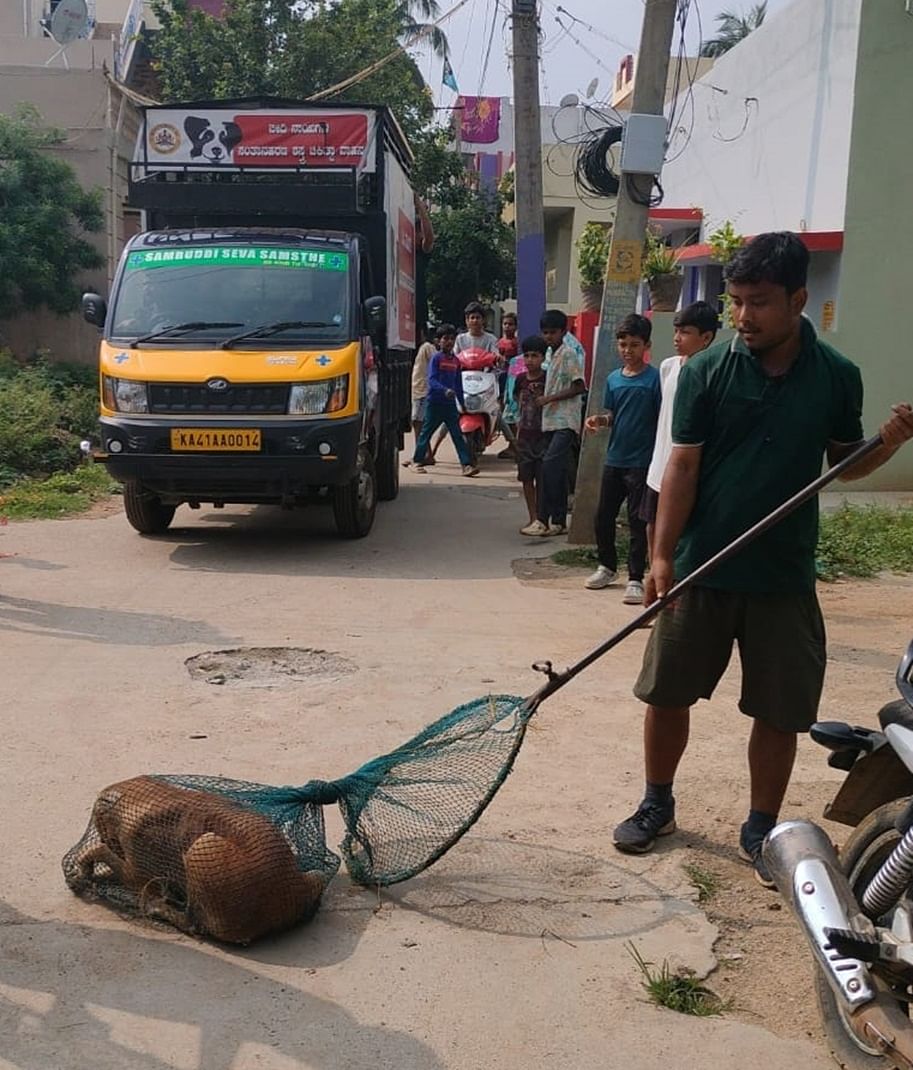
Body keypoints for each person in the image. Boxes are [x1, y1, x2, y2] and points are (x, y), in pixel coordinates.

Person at [612, 232, 913, 888]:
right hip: (702, 565)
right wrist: (661, 557)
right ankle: (656, 802)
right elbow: (682, 466)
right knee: (665, 694)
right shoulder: (704, 371)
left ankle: (760, 825)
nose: (743, 317)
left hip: (780, 573)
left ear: (798, 299)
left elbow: (846, 464)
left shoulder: (835, 374)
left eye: (758, 303)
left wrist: (885, 443)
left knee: (779, 710)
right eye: (736, 302)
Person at [584, 314, 661, 603]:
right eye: (623, 344)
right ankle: (606, 566)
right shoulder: (613, 379)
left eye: (634, 345)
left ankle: (635, 577)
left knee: (637, 522)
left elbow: (660, 419)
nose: (628, 350)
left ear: (646, 346)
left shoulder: (655, 380)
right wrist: (599, 421)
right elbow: (613, 415)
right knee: (603, 516)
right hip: (614, 459)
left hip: (642, 462)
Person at [641, 302, 719, 558]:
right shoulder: (669, 367)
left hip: (688, 470)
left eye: (685, 332)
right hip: (660, 465)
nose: (676, 338)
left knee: (684, 533)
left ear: (706, 337)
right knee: (653, 526)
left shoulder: (713, 373)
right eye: (676, 331)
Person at [522, 309, 586, 537]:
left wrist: (549, 398)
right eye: (545, 332)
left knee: (548, 467)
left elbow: (579, 386)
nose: (548, 337)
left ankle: (542, 519)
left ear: (563, 331)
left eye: (553, 332)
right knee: (555, 472)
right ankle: (558, 521)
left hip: (565, 420)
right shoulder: (551, 355)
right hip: (550, 421)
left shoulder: (568, 354)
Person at [412, 324, 480, 477]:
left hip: (450, 405)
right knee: (426, 433)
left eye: (452, 339)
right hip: (435, 403)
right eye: (446, 339)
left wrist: (462, 403)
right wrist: (445, 390)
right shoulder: (436, 359)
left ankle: (466, 465)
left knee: (457, 434)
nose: (449, 342)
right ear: (438, 341)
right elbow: (432, 380)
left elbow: (458, 384)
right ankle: (417, 461)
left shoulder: (456, 361)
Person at [513, 336, 548, 531]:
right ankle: (532, 516)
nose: (530, 360)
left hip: (543, 436)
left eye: (534, 356)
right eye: (526, 356)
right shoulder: (520, 379)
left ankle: (543, 519)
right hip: (525, 436)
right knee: (526, 478)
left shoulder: (548, 378)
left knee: (543, 479)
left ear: (543, 358)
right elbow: (517, 402)